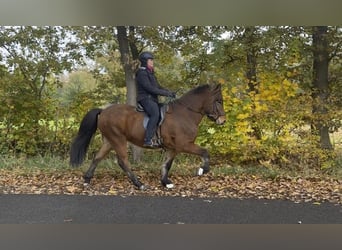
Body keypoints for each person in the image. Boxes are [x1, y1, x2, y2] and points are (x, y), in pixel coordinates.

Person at [136, 51, 176, 148]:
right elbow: (150, 88)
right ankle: (148, 140)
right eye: (150, 60)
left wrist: (169, 92)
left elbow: (158, 87)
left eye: (152, 60)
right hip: (145, 98)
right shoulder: (141, 73)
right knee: (155, 113)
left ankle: (160, 137)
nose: (152, 62)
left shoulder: (150, 73)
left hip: (153, 99)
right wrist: (165, 94)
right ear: (145, 61)